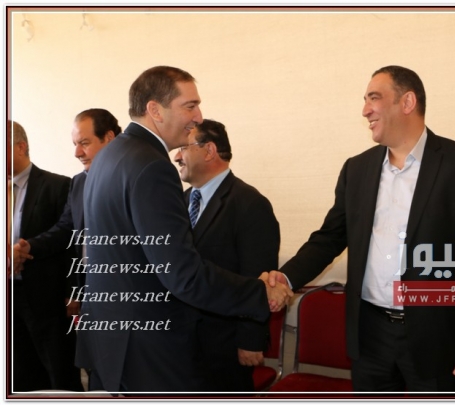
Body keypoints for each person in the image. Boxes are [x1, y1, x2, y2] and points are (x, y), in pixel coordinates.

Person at [268, 65, 455, 393]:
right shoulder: (357, 169)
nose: (365, 110)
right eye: (365, 100)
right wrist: (286, 277)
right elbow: (330, 238)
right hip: (370, 337)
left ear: (407, 102)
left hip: (436, 340)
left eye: (374, 98)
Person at [76, 66, 292, 393]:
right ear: (155, 110)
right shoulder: (152, 166)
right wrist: (259, 293)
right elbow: (181, 273)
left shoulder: (110, 156)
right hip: (148, 346)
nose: (198, 117)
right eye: (190, 106)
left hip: (112, 339)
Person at [174, 119, 280, 391]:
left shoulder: (250, 203)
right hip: (182, 342)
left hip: (225, 346)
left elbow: (258, 277)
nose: (177, 157)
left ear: (209, 150)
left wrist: (250, 339)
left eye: (183, 148)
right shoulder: (181, 201)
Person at [13, 109, 122, 297]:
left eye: (84, 143)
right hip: (89, 287)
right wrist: (29, 247)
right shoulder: (78, 182)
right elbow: (65, 229)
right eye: (75, 144)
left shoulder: (134, 178)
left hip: (126, 287)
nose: (77, 153)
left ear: (109, 138)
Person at [8, 120, 82, 392]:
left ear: (20, 147)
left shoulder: (58, 185)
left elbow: (70, 240)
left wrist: (74, 290)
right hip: (8, 298)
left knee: (60, 374)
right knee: (19, 376)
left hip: (48, 300)